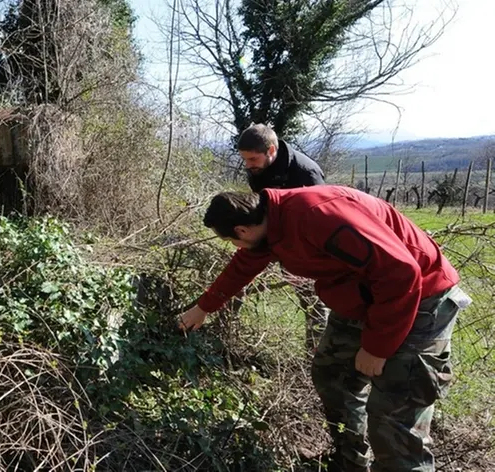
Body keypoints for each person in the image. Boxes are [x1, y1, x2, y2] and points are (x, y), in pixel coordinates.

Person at [178, 185, 471, 472]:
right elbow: (243, 265)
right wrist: (203, 307)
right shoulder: (269, 225)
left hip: (419, 299)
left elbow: (400, 273)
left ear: (242, 231)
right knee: (333, 376)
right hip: (362, 298)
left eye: (232, 241)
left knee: (393, 418)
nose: (236, 247)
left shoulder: (317, 216)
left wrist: (376, 348)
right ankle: (351, 461)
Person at [236, 123, 329, 351]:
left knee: (311, 299)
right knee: (239, 280)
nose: (248, 166)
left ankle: (315, 353)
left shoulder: (306, 173)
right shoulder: (258, 170)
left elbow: (321, 220)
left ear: (270, 151)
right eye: (245, 160)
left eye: (252, 160)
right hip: (272, 239)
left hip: (306, 249)